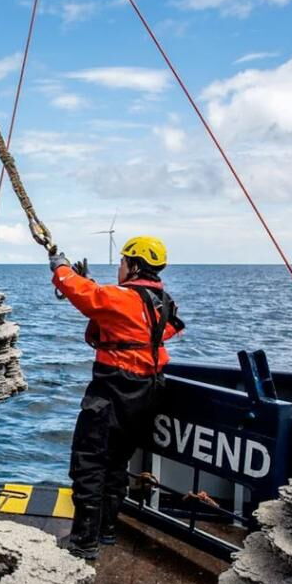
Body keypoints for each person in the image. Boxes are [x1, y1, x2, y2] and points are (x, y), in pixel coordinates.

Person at [49, 236, 184, 560]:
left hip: (113, 390)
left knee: (90, 464)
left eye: (123, 261)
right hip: (147, 391)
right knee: (117, 463)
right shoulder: (161, 301)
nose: (119, 266)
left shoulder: (122, 298)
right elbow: (162, 327)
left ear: (134, 265)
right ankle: (107, 531)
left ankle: (83, 543)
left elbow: (88, 296)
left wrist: (61, 267)